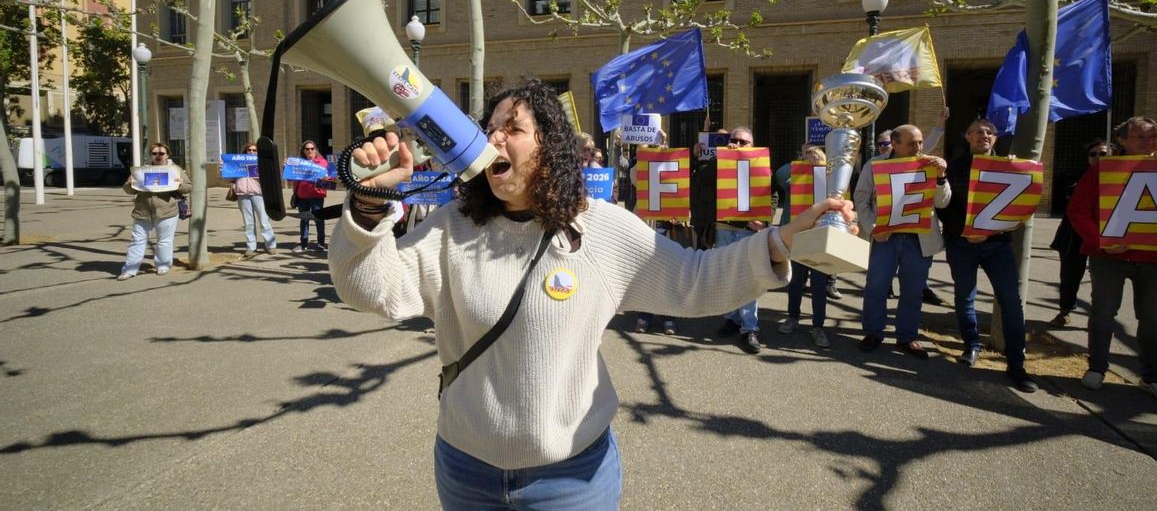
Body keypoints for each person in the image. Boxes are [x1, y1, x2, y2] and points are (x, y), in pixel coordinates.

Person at [329, 79, 856, 509]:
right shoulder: (452, 226)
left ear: (549, 147)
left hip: (571, 483)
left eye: (513, 128)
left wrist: (783, 238)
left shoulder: (599, 227)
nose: (494, 139)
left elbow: (696, 281)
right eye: (489, 128)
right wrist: (371, 204)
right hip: (465, 472)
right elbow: (372, 289)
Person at [1066, 116, 1157, 408]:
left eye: (1153, 136)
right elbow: (1077, 210)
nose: (1149, 142)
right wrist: (1100, 241)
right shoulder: (1102, 171)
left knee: (1154, 319)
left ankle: (1152, 378)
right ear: (1123, 141)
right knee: (1103, 313)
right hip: (1108, 257)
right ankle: (1096, 368)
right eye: (1141, 137)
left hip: (1156, 258)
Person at [936, 119, 1037, 392]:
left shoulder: (1010, 166)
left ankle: (1016, 364)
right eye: (978, 132)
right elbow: (944, 208)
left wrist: (992, 232)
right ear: (968, 137)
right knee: (964, 297)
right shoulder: (953, 166)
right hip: (962, 243)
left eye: (990, 132)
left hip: (998, 245)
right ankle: (971, 345)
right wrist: (967, 231)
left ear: (996, 138)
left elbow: (1022, 204)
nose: (984, 136)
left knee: (1010, 302)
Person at [853, 125, 950, 358]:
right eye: (911, 143)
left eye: (920, 142)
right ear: (894, 145)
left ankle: (907, 337)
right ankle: (874, 332)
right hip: (885, 237)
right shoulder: (875, 165)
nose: (918, 147)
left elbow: (943, 202)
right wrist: (873, 229)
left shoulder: (931, 165)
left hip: (918, 240)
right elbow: (861, 198)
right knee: (876, 287)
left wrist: (941, 178)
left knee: (913, 291)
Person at [772, 144, 835, 348]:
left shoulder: (828, 180)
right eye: (807, 155)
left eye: (815, 156)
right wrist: (798, 165)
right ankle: (792, 318)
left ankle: (818, 326)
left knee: (818, 285)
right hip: (797, 237)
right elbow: (779, 177)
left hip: (819, 238)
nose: (811, 158)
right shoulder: (794, 179)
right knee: (796, 282)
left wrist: (822, 166)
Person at [714, 126, 770, 354]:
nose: (737, 143)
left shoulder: (761, 164)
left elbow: (771, 194)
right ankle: (732, 318)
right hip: (724, 227)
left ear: (752, 144)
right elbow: (704, 185)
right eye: (733, 139)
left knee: (748, 278)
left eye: (743, 141)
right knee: (728, 276)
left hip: (748, 230)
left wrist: (765, 223)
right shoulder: (720, 162)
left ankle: (749, 328)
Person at [1048, 139, 1111, 327]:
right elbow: (1070, 196)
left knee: (1103, 279)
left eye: (1103, 154)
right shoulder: (1077, 176)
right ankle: (1064, 311)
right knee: (1070, 276)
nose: (1098, 157)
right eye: (1094, 154)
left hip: (1107, 235)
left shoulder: (1120, 177)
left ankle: (1100, 317)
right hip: (1073, 236)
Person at [117, 143, 192, 280]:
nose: (158, 156)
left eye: (161, 153)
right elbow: (129, 191)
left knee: (164, 241)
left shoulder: (175, 169)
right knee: (137, 240)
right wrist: (129, 183)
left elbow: (188, 188)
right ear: (150, 155)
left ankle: (163, 265)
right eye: (154, 153)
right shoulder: (142, 170)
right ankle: (129, 269)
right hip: (143, 211)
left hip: (167, 211)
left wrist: (180, 183)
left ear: (167, 155)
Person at [232, 143, 277, 258]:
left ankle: (270, 245)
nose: (251, 152)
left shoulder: (262, 163)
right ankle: (251, 247)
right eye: (249, 150)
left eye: (254, 150)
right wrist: (224, 167)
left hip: (258, 194)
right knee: (248, 222)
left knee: (264, 220)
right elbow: (228, 178)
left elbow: (270, 177)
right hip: (243, 194)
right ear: (245, 152)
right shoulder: (238, 163)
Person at [293, 140, 329, 252]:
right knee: (304, 220)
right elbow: (290, 177)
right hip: (302, 196)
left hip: (317, 196)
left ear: (315, 150)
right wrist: (286, 167)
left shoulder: (322, 162)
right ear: (303, 151)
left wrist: (327, 178)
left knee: (318, 219)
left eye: (312, 149)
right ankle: (303, 244)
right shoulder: (298, 163)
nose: (310, 151)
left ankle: (321, 244)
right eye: (307, 149)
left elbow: (330, 178)